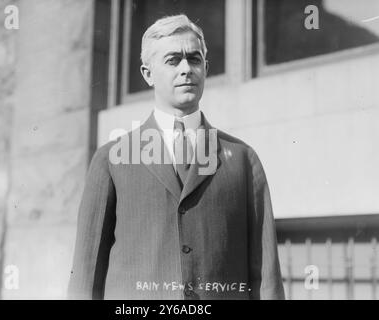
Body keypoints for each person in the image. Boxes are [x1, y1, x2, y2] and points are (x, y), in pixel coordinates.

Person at [68, 14, 285, 300]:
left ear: (205, 68)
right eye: (173, 60)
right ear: (147, 74)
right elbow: (86, 276)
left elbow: (266, 277)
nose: (186, 69)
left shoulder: (243, 160)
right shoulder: (112, 159)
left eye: (194, 60)